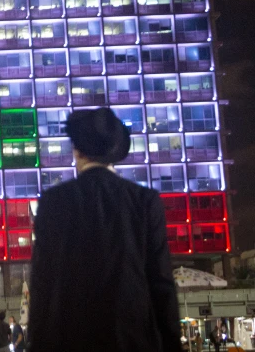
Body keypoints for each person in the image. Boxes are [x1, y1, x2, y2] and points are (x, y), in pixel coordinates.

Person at [29, 108, 180, 352]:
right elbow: (161, 285)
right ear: (112, 154)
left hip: (69, 341)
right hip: (132, 340)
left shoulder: (53, 202)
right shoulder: (145, 201)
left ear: (77, 151)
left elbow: (42, 288)